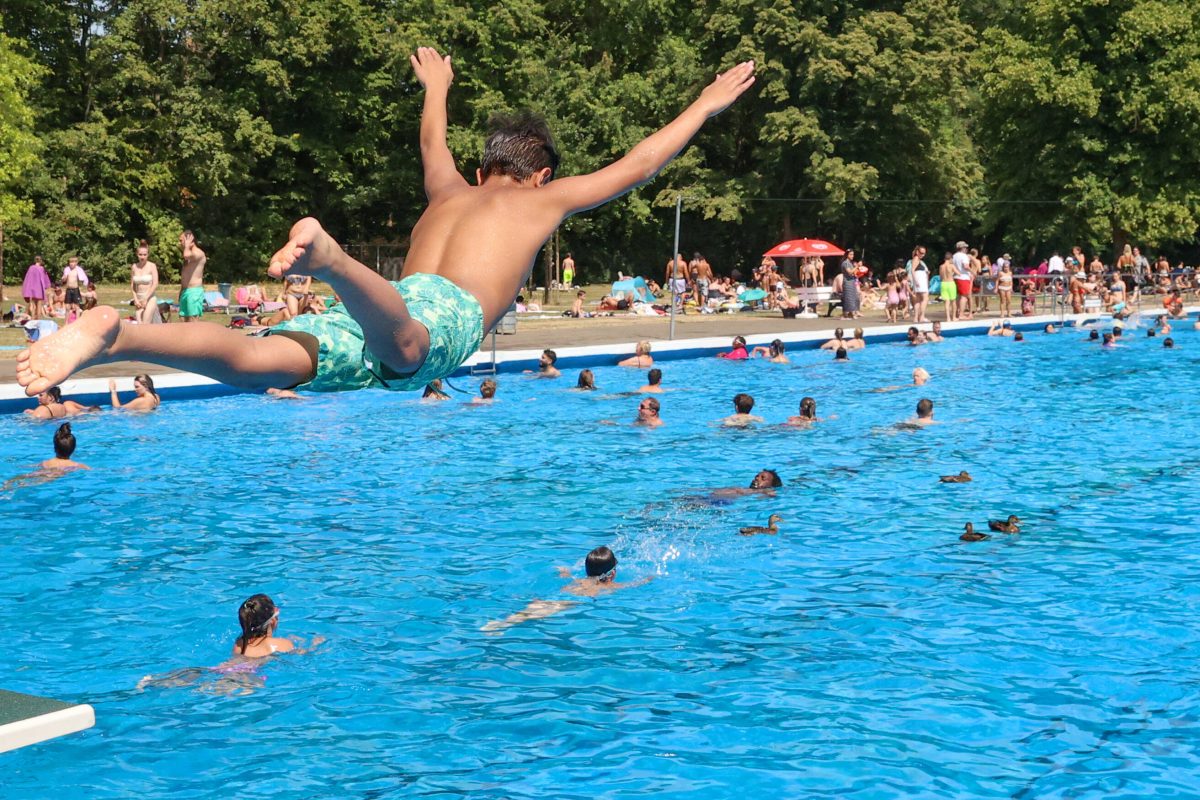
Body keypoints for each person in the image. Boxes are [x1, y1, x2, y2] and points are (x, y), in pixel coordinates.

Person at [18, 50, 756, 397]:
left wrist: (436, 86)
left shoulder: (447, 191)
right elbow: (639, 164)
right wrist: (704, 105)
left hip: (385, 301)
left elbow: (432, 142)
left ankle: (120, 334)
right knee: (408, 353)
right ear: (540, 176)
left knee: (264, 359)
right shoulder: (542, 200)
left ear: (479, 172)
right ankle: (333, 257)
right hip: (422, 313)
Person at [480, 546, 650, 634]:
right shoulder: (608, 586)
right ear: (612, 574)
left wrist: (565, 572)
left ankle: (501, 623)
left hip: (563, 593)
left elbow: (571, 580)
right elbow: (629, 586)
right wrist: (647, 580)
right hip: (571, 601)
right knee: (539, 612)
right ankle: (500, 625)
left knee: (532, 610)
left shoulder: (582, 580)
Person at [177, 231, 207, 322]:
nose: (180, 243)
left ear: (191, 241)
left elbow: (186, 255)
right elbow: (186, 275)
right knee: (183, 320)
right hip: (185, 291)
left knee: (193, 322)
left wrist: (186, 246)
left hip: (194, 292)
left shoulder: (198, 253)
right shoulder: (188, 255)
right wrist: (181, 291)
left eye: (182, 240)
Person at [130, 240, 162, 325]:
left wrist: (146, 298)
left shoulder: (152, 266)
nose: (142, 257)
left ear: (148, 255)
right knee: (139, 325)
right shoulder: (134, 267)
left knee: (145, 323)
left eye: (145, 254)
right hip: (139, 298)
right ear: (137, 254)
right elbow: (132, 286)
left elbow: (155, 284)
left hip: (149, 297)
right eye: (140, 254)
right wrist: (135, 300)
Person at [25, 387, 98, 419]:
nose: (38, 397)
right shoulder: (64, 408)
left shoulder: (68, 405)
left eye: (41, 395)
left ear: (51, 398)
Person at [22, 256, 52, 320]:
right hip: (39, 289)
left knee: (33, 305)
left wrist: (28, 288)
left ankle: (33, 318)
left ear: (35, 260)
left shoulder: (31, 268)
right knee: (39, 305)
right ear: (41, 261)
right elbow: (45, 279)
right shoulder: (42, 268)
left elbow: (28, 278)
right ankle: (38, 319)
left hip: (33, 289)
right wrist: (46, 286)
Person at [62, 257, 88, 323]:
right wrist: (64, 278)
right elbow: (64, 279)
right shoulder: (67, 269)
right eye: (70, 262)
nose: (71, 264)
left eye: (73, 262)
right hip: (68, 289)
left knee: (77, 306)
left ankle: (77, 322)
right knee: (67, 307)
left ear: (76, 263)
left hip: (75, 289)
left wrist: (84, 283)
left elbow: (83, 278)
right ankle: (66, 323)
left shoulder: (78, 270)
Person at [952, 241, 973, 319]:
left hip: (955, 277)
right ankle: (961, 314)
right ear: (962, 248)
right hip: (963, 277)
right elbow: (966, 266)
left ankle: (957, 312)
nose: (966, 249)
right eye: (965, 247)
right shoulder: (964, 256)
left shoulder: (954, 256)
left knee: (958, 296)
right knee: (964, 296)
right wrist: (973, 272)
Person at [839, 249, 860, 318]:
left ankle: (852, 313)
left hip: (852, 281)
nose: (852, 256)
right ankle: (846, 313)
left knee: (854, 297)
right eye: (851, 254)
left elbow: (854, 273)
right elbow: (849, 272)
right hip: (847, 282)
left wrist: (858, 268)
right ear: (847, 255)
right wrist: (856, 266)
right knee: (848, 298)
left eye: (853, 254)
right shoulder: (845, 263)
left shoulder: (850, 263)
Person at [938, 252, 957, 321]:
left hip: (944, 284)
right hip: (950, 283)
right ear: (950, 258)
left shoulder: (941, 266)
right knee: (953, 301)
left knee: (946, 302)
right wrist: (952, 273)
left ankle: (948, 318)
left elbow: (940, 277)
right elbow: (958, 273)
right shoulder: (951, 265)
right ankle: (954, 317)